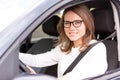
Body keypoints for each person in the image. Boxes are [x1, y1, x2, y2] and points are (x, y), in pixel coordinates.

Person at [19, 4, 108, 80]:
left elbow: (73, 77)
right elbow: (37, 60)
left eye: (77, 22)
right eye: (67, 23)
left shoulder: (97, 48)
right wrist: (14, 55)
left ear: (87, 24)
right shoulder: (65, 47)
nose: (71, 28)